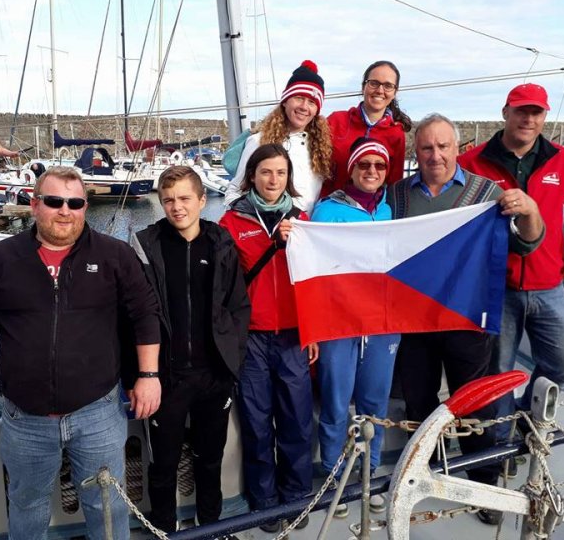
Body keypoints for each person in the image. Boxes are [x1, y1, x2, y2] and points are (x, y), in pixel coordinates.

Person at [0, 166, 162, 540]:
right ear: (34, 205)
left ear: (84, 208)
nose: (65, 210)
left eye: (75, 202)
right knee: (27, 506)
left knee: (106, 505)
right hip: (25, 417)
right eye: (54, 201)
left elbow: (145, 315)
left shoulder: (115, 256)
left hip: (97, 412)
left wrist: (148, 376)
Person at [388, 113, 544, 526]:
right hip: (416, 323)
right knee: (418, 404)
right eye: (426, 148)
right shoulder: (398, 196)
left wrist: (528, 208)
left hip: (467, 320)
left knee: (474, 406)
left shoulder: (487, 193)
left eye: (443, 146)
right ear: (415, 152)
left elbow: (527, 243)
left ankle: (483, 484)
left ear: (457, 148)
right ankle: (424, 476)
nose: (435, 155)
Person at [458, 84, 564, 456]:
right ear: (505, 112)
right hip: (496, 289)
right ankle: (500, 451)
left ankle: (524, 416)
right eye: (521, 111)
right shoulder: (473, 162)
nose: (528, 119)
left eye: (536, 112)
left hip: (548, 284)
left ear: (544, 117)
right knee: (498, 377)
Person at [130, 166, 251, 536]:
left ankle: (209, 527)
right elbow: (133, 313)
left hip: (214, 376)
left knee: (209, 460)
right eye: (168, 200)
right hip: (165, 378)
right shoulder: (145, 246)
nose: (176, 207)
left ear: (201, 200)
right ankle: (164, 530)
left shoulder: (222, 244)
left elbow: (238, 306)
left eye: (184, 199)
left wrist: (232, 359)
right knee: (163, 465)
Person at [219, 143, 319, 533]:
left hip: (294, 335)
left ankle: (295, 497)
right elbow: (224, 287)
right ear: (252, 177)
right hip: (253, 339)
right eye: (265, 172)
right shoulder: (231, 222)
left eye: (280, 173)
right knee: (258, 424)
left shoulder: (303, 219)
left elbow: (313, 282)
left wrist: (313, 330)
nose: (273, 180)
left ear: (288, 178)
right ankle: (264, 503)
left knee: (296, 422)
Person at [311, 137, 400, 517]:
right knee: (335, 403)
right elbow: (313, 268)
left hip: (381, 323)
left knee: (374, 404)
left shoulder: (389, 212)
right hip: (339, 323)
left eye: (379, 167)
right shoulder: (327, 212)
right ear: (352, 169)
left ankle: (370, 472)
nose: (372, 172)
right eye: (365, 165)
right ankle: (335, 476)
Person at [224, 59, 333, 214]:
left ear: (317, 110)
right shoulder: (259, 141)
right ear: (285, 101)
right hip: (268, 230)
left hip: (304, 231)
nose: (304, 107)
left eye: (311, 102)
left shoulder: (320, 148)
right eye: (299, 98)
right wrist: (246, 223)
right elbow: (235, 190)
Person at [323, 60, 412, 195]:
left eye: (388, 85)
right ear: (363, 86)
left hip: (369, 212)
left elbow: (394, 184)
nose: (380, 90)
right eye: (374, 83)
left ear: (394, 92)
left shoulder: (396, 133)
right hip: (328, 209)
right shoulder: (336, 121)